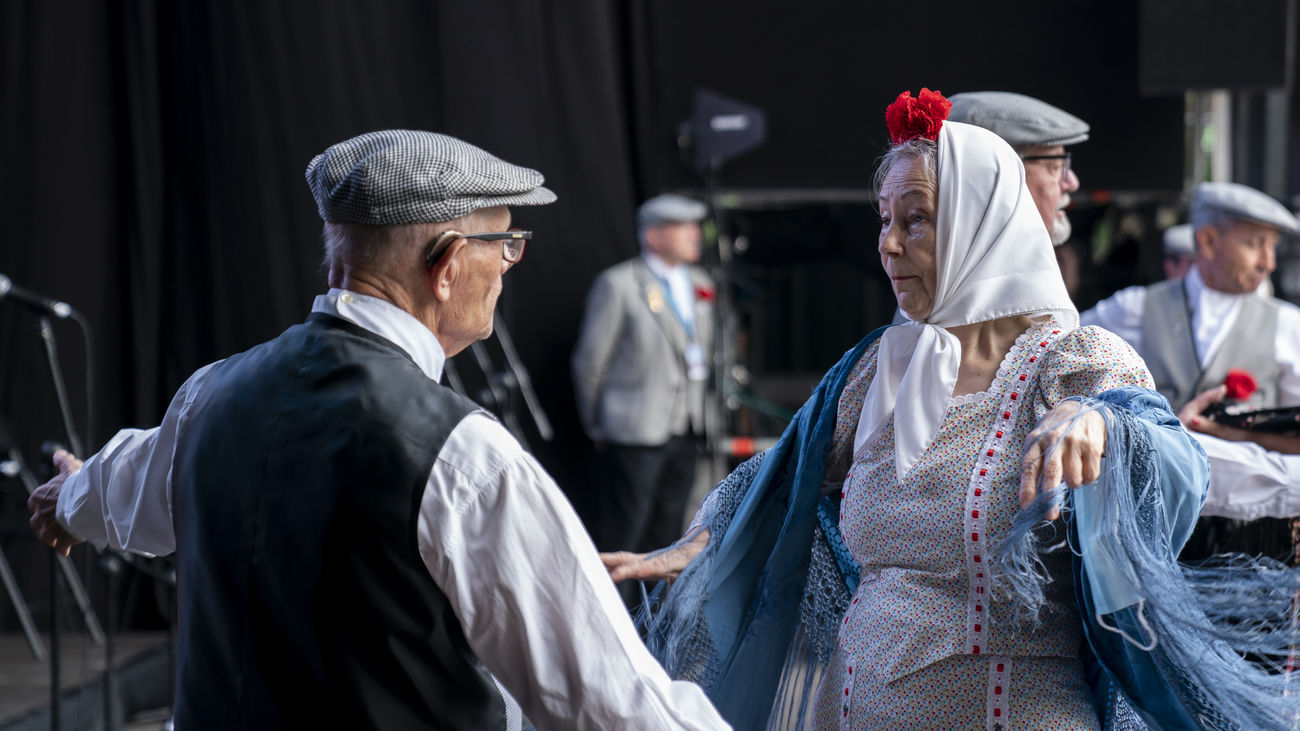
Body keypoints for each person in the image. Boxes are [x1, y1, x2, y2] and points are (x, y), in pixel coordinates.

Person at [605, 90, 1296, 729]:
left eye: (917, 221)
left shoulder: (1069, 359)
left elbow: (1169, 451)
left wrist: (1105, 424)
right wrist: (694, 547)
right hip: (852, 707)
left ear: (979, 226)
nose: (890, 243)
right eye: (884, 219)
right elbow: (780, 480)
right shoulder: (878, 366)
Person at [27, 130, 729, 731]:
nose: (511, 265)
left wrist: (67, 498)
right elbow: (617, 704)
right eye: (507, 243)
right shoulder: (465, 457)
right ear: (448, 265)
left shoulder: (210, 395)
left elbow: (119, 490)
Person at [1081, 181, 1300, 560]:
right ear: (1209, 242)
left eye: (1272, 246)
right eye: (1254, 244)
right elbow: (1062, 355)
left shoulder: (1288, 325)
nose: (1268, 263)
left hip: (1253, 546)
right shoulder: (1135, 309)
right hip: (1147, 539)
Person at [571, 194, 714, 567]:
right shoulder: (618, 284)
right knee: (624, 532)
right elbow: (590, 362)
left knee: (671, 530)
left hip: (686, 426)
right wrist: (597, 423)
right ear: (654, 236)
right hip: (633, 430)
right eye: (683, 227)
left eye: (695, 226)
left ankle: (658, 620)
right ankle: (615, 617)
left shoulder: (699, 282)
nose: (695, 235)